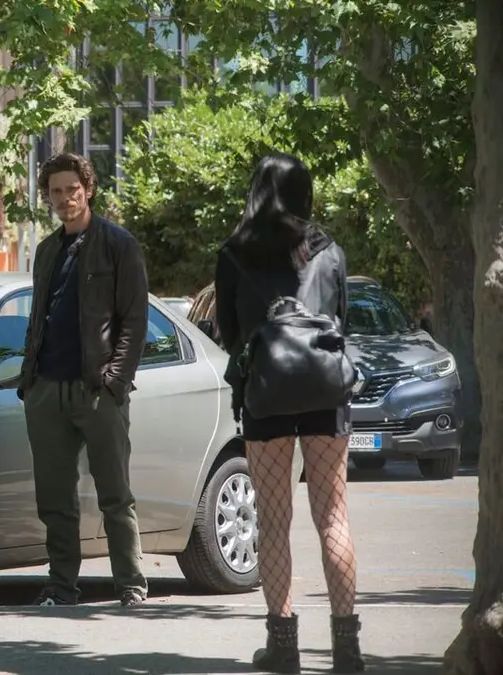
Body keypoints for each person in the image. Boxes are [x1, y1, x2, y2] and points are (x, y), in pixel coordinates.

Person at [214, 153, 364, 673]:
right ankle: (347, 648)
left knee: (274, 521)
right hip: (325, 390)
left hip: (266, 391)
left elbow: (229, 333)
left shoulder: (234, 254)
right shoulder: (329, 251)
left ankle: (283, 645)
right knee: (333, 516)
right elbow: (341, 320)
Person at [16, 152, 150, 608]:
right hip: (47, 388)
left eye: (71, 189)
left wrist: (115, 381)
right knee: (55, 500)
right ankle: (61, 587)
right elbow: (37, 318)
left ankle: (130, 585)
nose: (64, 198)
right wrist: (29, 383)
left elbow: (134, 321)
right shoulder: (46, 251)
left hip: (97, 390)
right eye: (55, 191)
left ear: (88, 189)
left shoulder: (118, 244)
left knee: (115, 495)